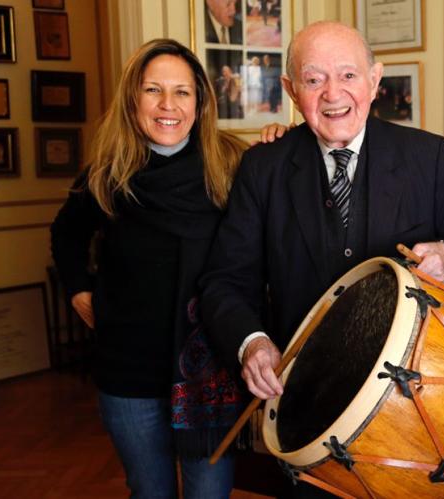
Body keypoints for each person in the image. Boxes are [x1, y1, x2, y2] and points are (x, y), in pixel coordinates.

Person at [199, 21, 444, 401]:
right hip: (302, 390)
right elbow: (225, 280)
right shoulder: (263, 166)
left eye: (348, 75)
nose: (332, 93)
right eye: (314, 80)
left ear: (374, 81)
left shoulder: (430, 156)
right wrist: (252, 342)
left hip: (415, 392)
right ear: (291, 90)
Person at [49, 39, 281, 498]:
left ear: (200, 102)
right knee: (149, 491)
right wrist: (78, 290)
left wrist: (282, 142)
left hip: (209, 370)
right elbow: (66, 233)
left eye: (182, 92)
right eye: (153, 90)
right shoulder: (107, 174)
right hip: (128, 371)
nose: (167, 105)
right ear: (132, 99)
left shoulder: (233, 164)